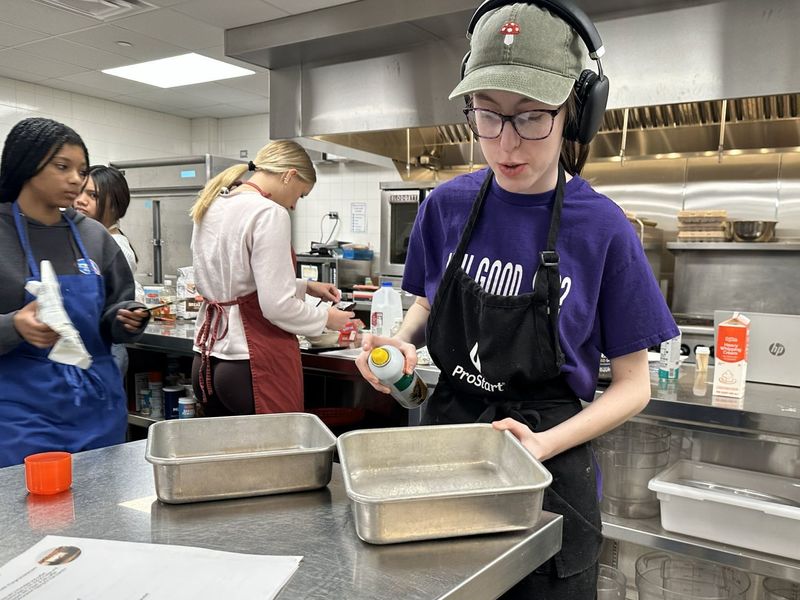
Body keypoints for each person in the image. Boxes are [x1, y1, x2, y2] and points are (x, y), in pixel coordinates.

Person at [355, 2, 679, 598]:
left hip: (549, 466)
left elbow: (635, 385)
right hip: (446, 451)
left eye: (532, 117)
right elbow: (428, 302)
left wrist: (543, 445)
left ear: (575, 114)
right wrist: (398, 346)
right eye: (487, 115)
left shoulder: (604, 228)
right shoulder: (445, 206)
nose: (506, 143)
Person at [0, 117, 150, 468]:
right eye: (62, 166)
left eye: (81, 171)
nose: (76, 180)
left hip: (96, 407)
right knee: (32, 514)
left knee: (100, 512)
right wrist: (13, 326)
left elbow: (115, 306)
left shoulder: (94, 236)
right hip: (21, 412)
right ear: (26, 164)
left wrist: (124, 318)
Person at [190, 140, 354, 416]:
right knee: (276, 456)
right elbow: (276, 306)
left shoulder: (212, 203)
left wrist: (305, 287)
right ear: (289, 175)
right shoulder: (269, 212)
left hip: (207, 361)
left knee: (224, 457)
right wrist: (328, 319)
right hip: (251, 364)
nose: (293, 206)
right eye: (300, 195)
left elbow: (234, 281)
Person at [74, 165, 144, 377]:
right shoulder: (86, 238)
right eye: (79, 191)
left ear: (114, 205)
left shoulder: (114, 244)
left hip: (106, 348)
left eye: (93, 195)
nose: (80, 200)